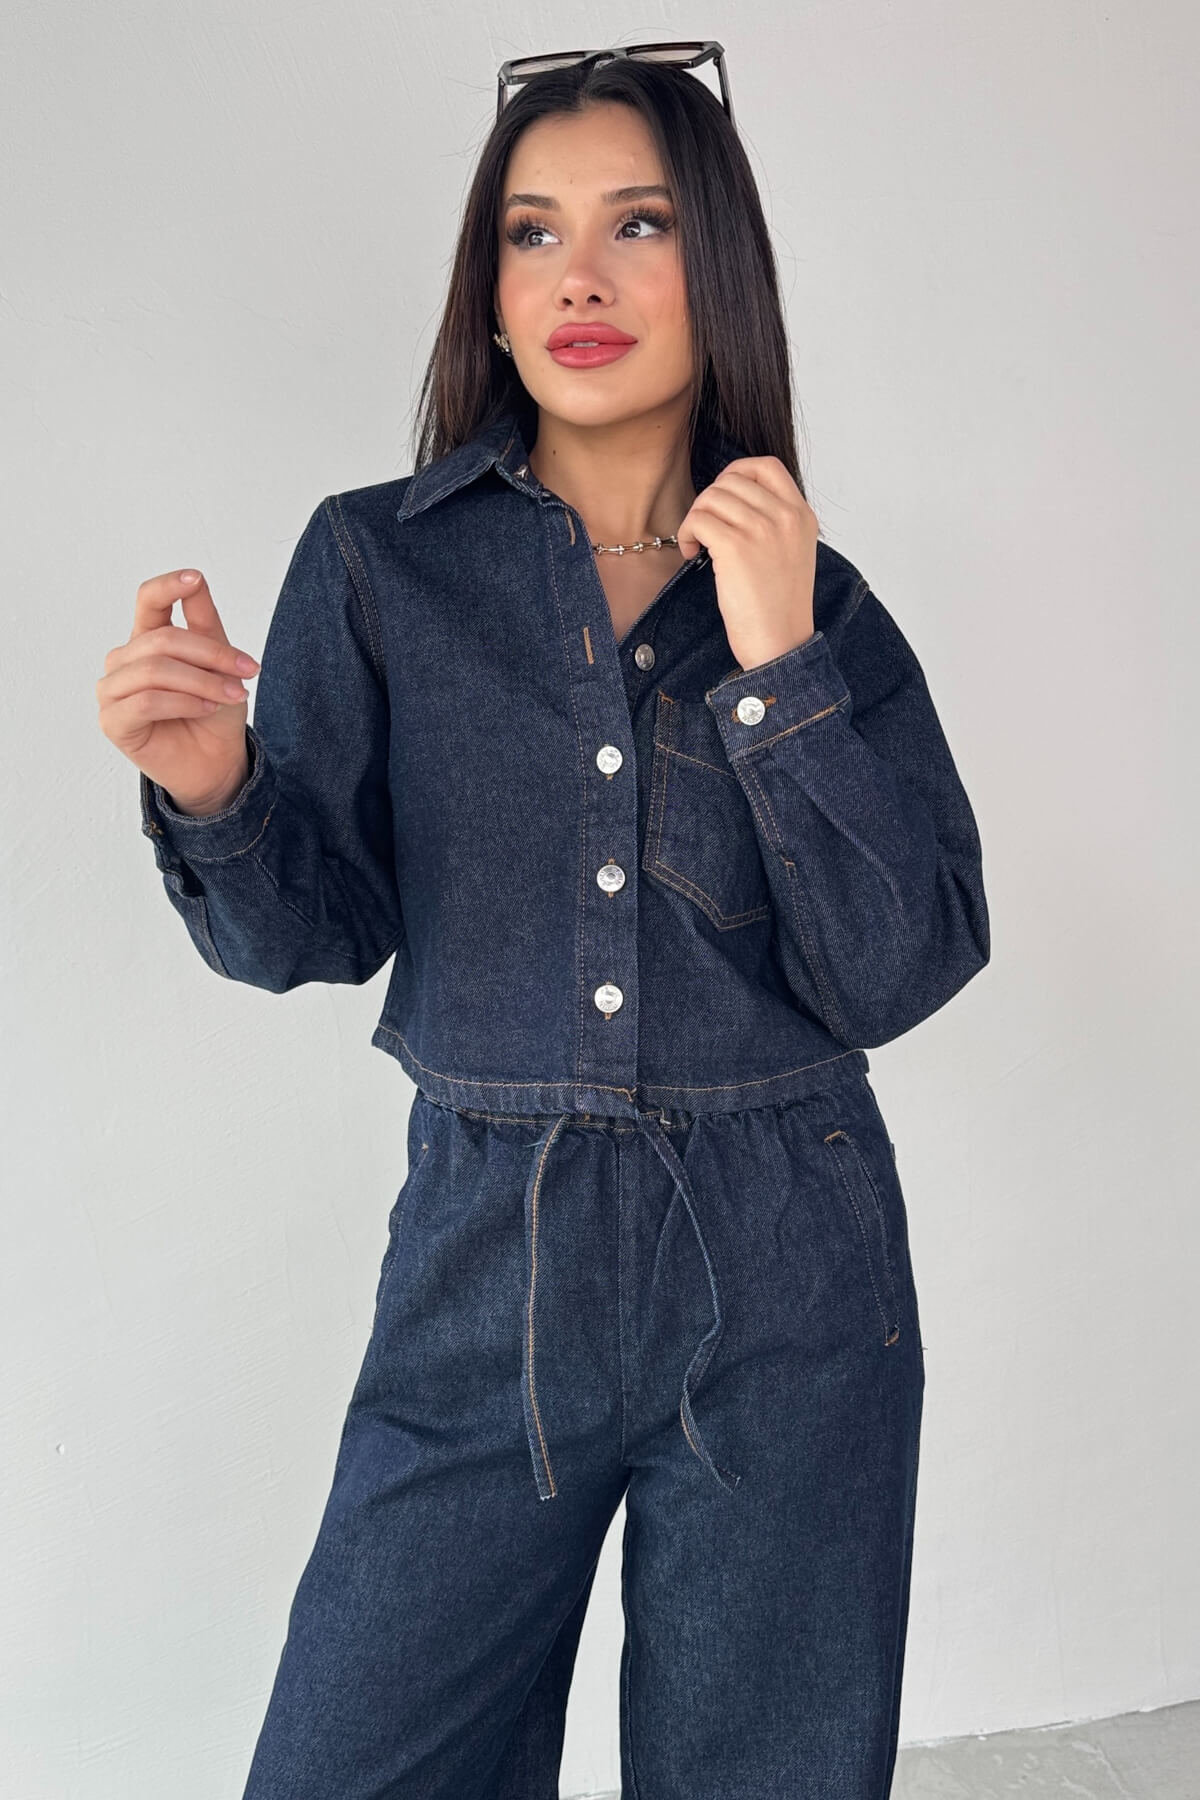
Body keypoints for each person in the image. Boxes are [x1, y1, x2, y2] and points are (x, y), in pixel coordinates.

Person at [97, 44, 990, 1800]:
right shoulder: (378, 563)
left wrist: (778, 658)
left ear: (717, 271)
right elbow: (307, 935)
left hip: (792, 1264)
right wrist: (216, 789)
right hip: (481, 1254)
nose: (579, 277)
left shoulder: (817, 598)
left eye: (638, 224)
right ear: (490, 294)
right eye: (532, 232)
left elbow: (899, 965)